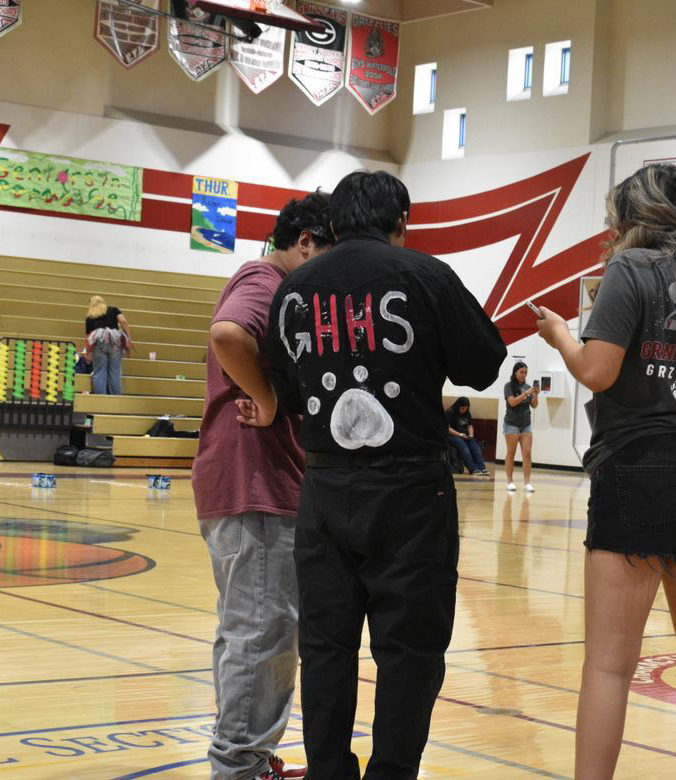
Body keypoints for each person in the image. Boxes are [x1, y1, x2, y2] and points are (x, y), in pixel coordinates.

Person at [264, 170, 507, 779]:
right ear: (401, 224)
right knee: (411, 650)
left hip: (323, 488)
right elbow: (484, 364)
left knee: (325, 647)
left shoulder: (296, 291)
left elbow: (287, 388)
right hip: (411, 491)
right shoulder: (426, 275)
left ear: (334, 225)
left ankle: (328, 773)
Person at [535, 163, 676, 779]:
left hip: (638, 469)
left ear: (632, 220)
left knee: (608, 666)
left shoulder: (630, 271)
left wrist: (560, 336)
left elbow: (598, 371)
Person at [192, 192, 334, 780]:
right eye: (329, 253)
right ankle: (241, 769)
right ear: (305, 242)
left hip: (247, 482)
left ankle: (248, 758)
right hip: (255, 482)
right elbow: (228, 335)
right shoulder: (264, 279)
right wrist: (272, 401)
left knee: (250, 630)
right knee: (262, 633)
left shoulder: (275, 286)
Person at [503, 361, 539, 492]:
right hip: (511, 424)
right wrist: (526, 393)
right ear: (515, 372)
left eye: (526, 373)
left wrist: (535, 395)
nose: (524, 375)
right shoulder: (508, 386)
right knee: (511, 453)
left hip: (526, 424)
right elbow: (512, 402)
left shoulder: (528, 386)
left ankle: (527, 483)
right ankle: (509, 481)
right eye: (521, 372)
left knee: (527, 453)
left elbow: (534, 405)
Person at [84, 295, 132, 394]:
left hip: (99, 344)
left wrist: (88, 352)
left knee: (99, 372)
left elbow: (89, 337)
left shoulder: (89, 316)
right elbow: (124, 321)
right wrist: (128, 337)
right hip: (115, 342)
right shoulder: (113, 309)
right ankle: (116, 399)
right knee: (115, 372)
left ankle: (100, 400)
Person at [446, 396, 488, 475]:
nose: (464, 410)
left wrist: (471, 434)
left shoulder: (467, 413)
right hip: (452, 436)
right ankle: (473, 469)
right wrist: (460, 435)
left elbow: (470, 426)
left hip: (464, 436)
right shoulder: (450, 412)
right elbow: (447, 428)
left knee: (474, 446)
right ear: (458, 406)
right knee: (462, 445)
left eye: (465, 408)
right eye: (462, 408)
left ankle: (482, 468)